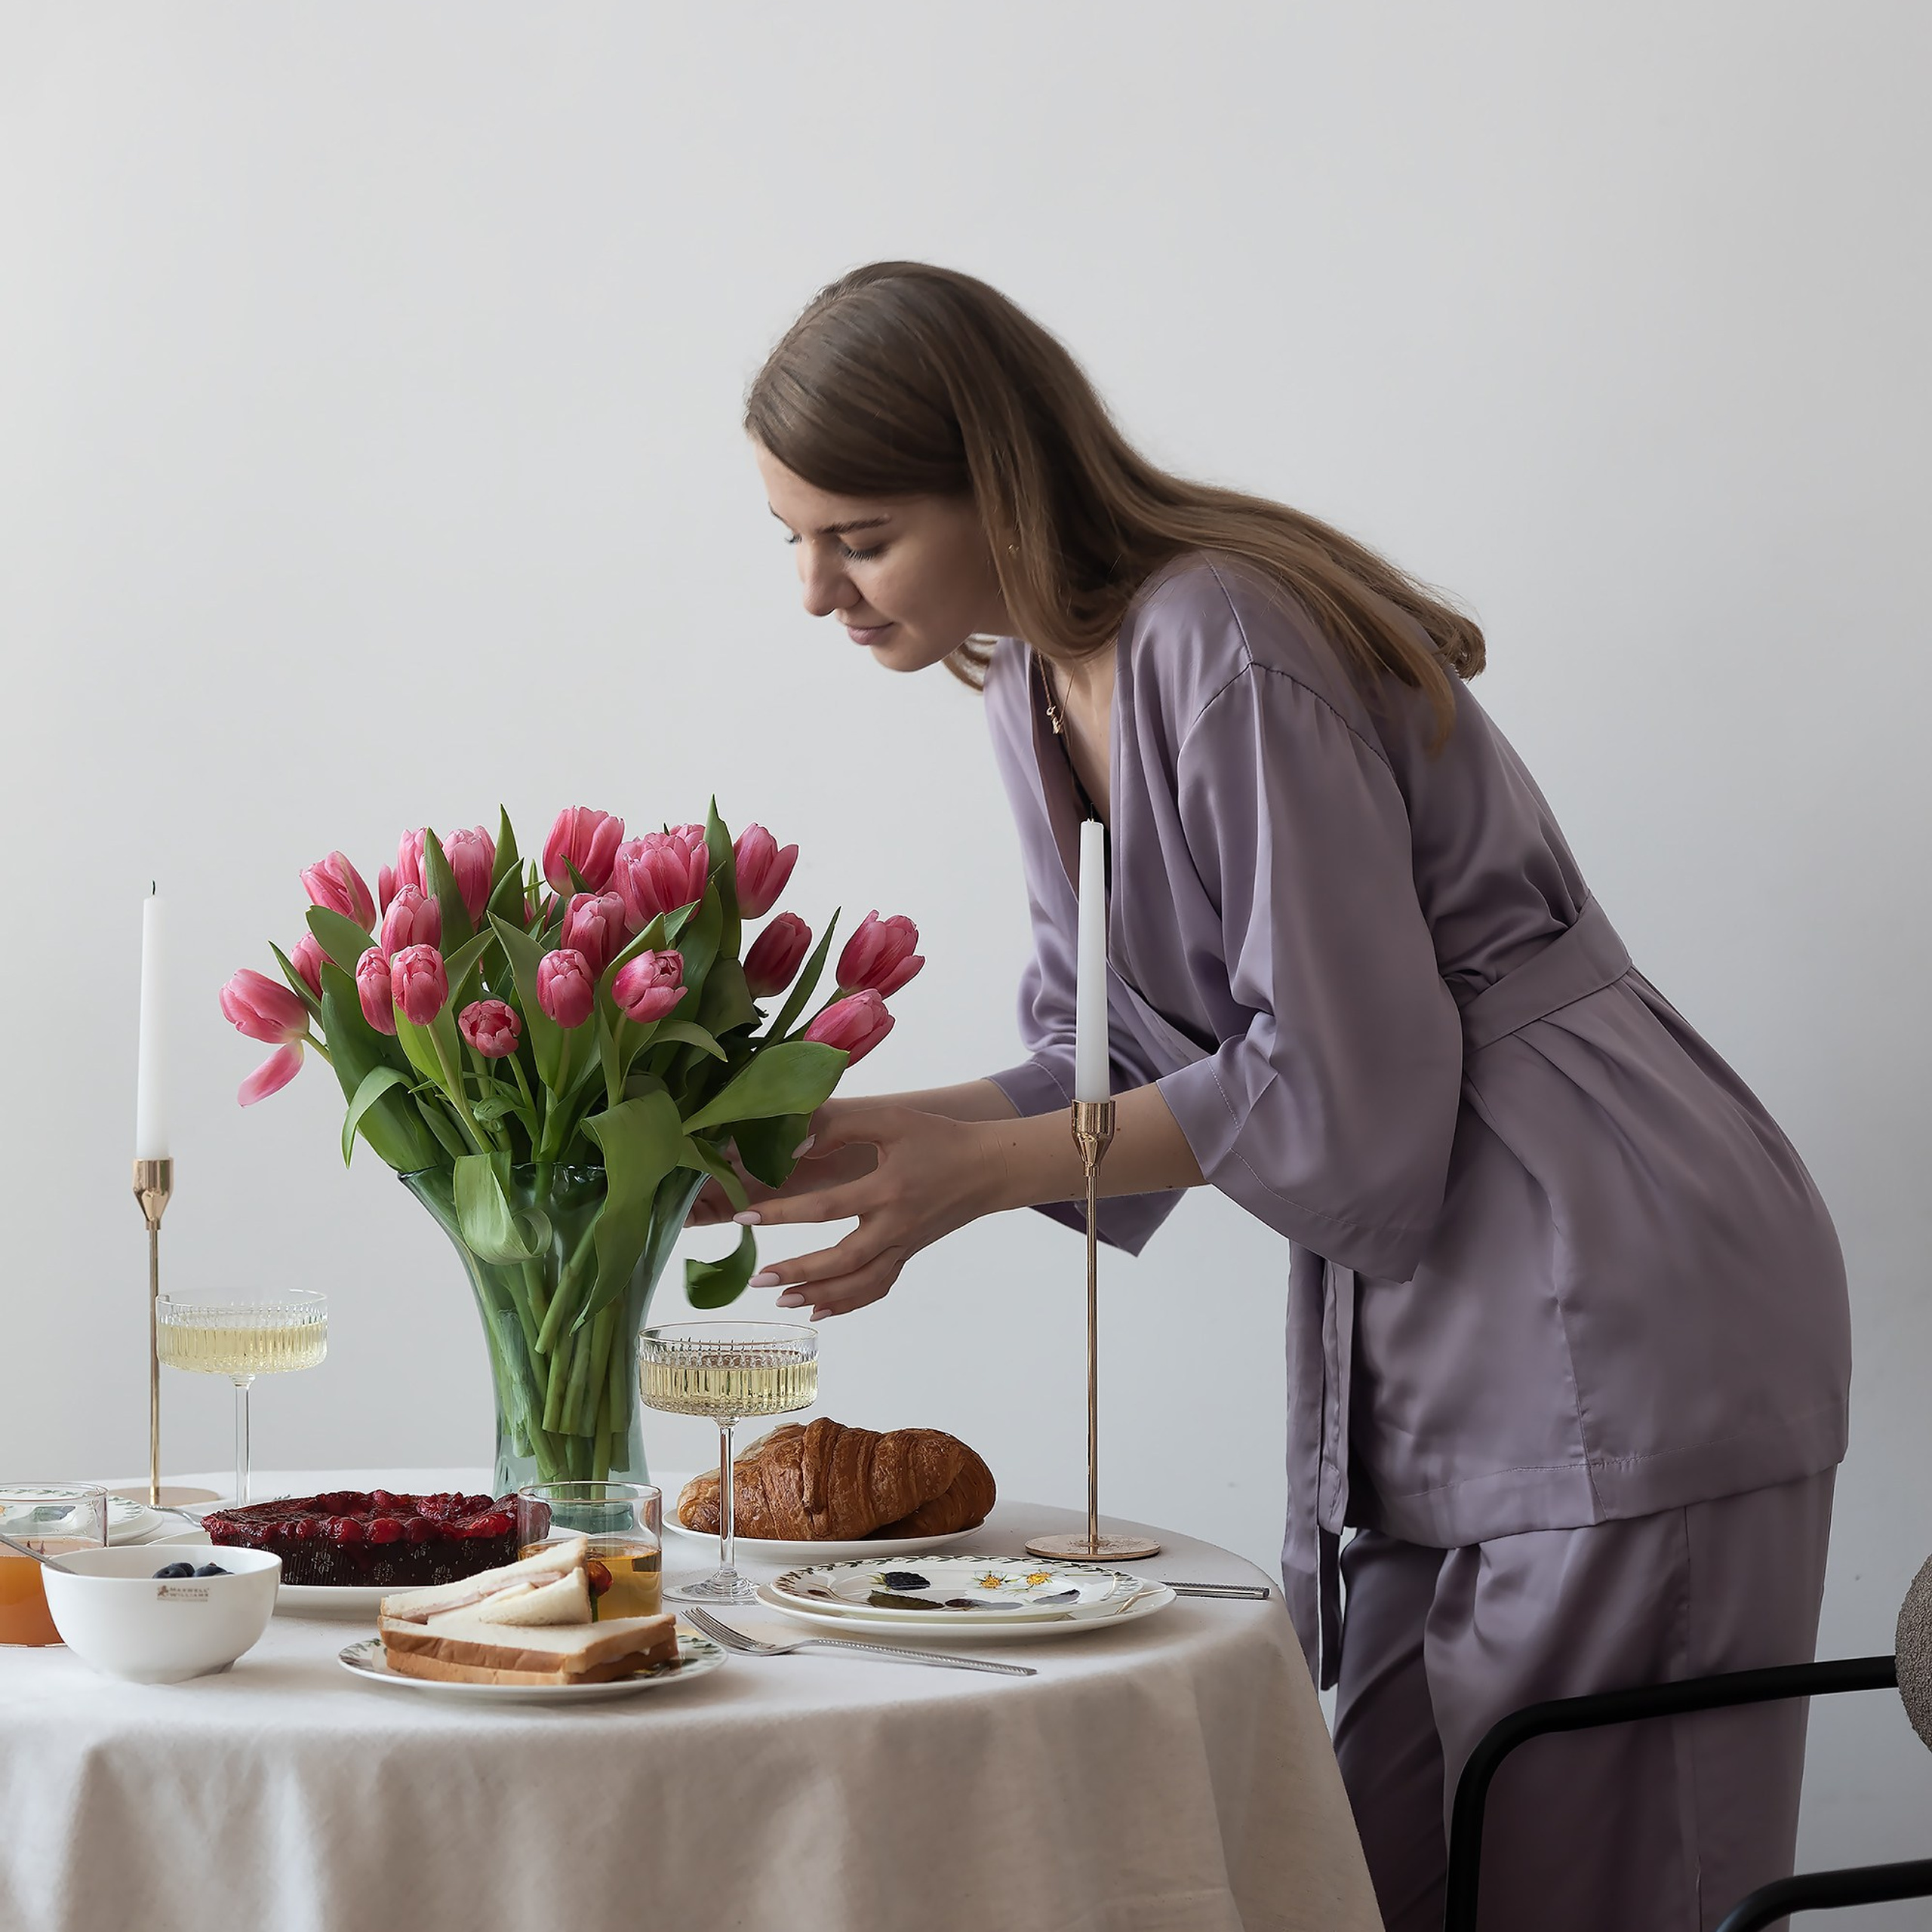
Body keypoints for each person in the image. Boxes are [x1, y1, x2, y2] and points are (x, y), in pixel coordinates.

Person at [721, 260, 1850, 1932]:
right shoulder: (1034, 690)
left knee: (1589, 1882)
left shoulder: (1217, 636)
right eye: (791, 539)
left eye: (859, 536)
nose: (817, 590)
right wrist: (836, 1145)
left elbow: (1339, 1071)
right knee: (1368, 1880)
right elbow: (1114, 1059)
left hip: (1612, 1283)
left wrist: (976, 1172)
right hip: (1438, 1319)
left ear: (997, 485)